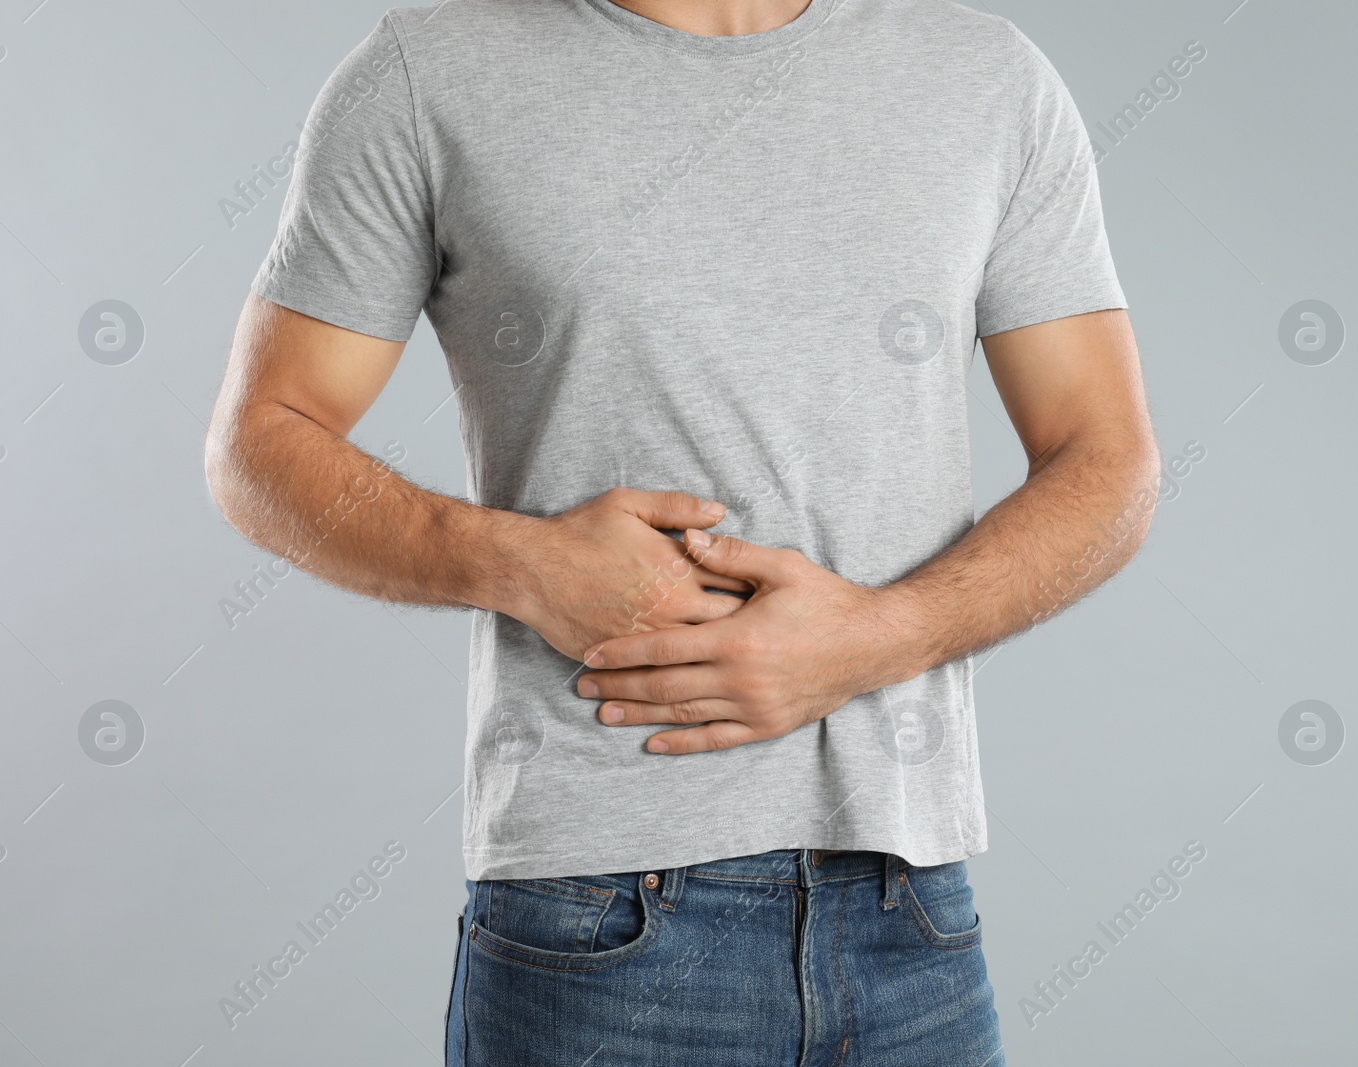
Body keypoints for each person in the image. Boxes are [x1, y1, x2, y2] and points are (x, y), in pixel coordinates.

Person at [204, 0, 1160, 1062]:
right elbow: (258, 444)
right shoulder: (429, 75)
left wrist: (877, 638)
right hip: (598, 917)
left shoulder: (985, 75)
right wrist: (520, 564)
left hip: (909, 912)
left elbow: (1107, 461)